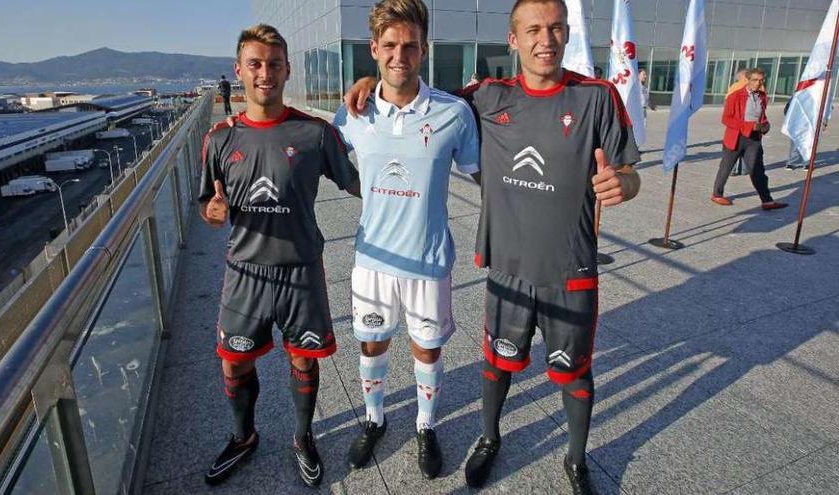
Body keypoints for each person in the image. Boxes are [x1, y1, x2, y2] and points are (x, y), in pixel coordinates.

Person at [344, 1, 641, 492]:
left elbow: (628, 173)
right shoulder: (484, 96)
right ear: (513, 39)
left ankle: (577, 459)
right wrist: (367, 86)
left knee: (573, 373)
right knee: (497, 362)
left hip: (571, 266)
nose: (545, 39)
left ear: (566, 35)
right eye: (533, 30)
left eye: (555, 29)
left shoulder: (597, 96)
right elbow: (416, 95)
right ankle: (488, 438)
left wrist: (622, 185)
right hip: (506, 264)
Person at [199, 24, 360, 488]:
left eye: (274, 64)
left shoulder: (315, 133)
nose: (264, 73)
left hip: (301, 270)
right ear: (239, 71)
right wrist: (213, 214)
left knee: (304, 360)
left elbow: (356, 183)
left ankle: (303, 437)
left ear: (288, 70)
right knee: (234, 361)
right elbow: (207, 210)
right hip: (244, 272)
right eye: (255, 64)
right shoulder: (219, 138)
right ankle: (243, 436)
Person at [333, 0, 481, 480]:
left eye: (410, 46)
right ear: (375, 49)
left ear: (424, 49)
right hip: (372, 260)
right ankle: (375, 419)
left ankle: (425, 425)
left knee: (427, 350)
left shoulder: (454, 113)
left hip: (428, 261)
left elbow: (487, 175)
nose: (401, 55)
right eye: (391, 45)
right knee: (372, 345)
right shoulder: (353, 111)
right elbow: (318, 156)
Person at [711, 67, 787, 210]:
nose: (758, 83)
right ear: (747, 80)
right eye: (755, 80)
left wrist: (765, 125)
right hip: (735, 137)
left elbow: (762, 116)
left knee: (757, 170)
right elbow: (726, 119)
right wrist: (749, 126)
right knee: (726, 167)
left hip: (753, 139)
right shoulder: (735, 96)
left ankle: (767, 200)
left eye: (761, 80)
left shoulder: (762, 97)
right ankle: (717, 194)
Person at [727, 68, 750, 175]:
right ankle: (746, 168)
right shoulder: (754, 86)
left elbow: (728, 102)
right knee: (748, 146)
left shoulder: (735, 86)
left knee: (734, 146)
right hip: (749, 122)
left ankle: (732, 169)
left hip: (737, 122)